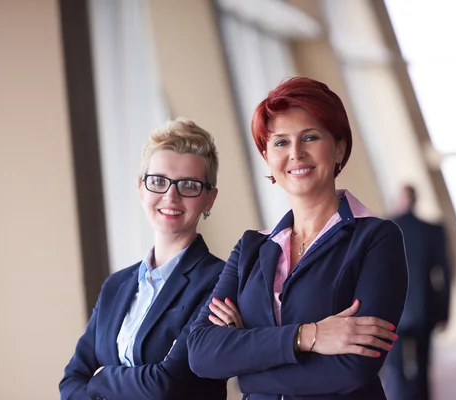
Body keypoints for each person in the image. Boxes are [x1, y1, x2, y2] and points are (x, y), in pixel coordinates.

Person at [186, 77, 408, 400]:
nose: (296, 153)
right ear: (267, 157)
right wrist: (308, 336)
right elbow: (201, 351)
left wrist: (246, 374)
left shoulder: (376, 239)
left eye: (310, 137)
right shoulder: (251, 248)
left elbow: (354, 367)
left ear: (339, 147)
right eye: (280, 143)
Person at [59, 118, 227, 400]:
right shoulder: (116, 285)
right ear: (141, 188)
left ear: (209, 199)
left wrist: (102, 377)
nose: (170, 196)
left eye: (188, 185)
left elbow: (167, 385)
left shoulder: (220, 281)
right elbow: (72, 381)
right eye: (158, 181)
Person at [383, 184, 451, 400]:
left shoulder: (385, 228)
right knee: (422, 367)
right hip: (425, 309)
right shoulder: (432, 230)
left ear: (400, 200)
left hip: (393, 311)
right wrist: (444, 310)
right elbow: (445, 275)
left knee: (396, 369)